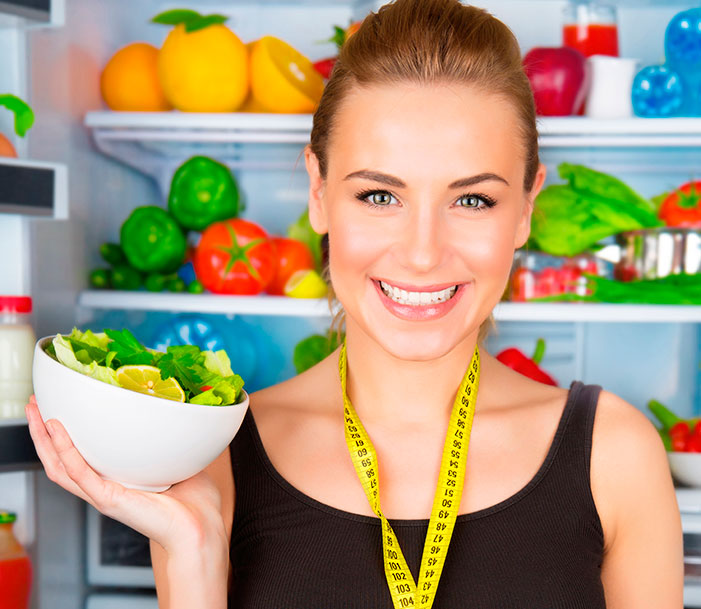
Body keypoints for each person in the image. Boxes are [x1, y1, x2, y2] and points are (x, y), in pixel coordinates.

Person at [25, 0, 683, 607]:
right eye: (378, 195)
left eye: (472, 199)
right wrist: (191, 558)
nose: (422, 253)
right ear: (317, 191)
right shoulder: (217, 456)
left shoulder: (614, 453)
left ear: (524, 211)